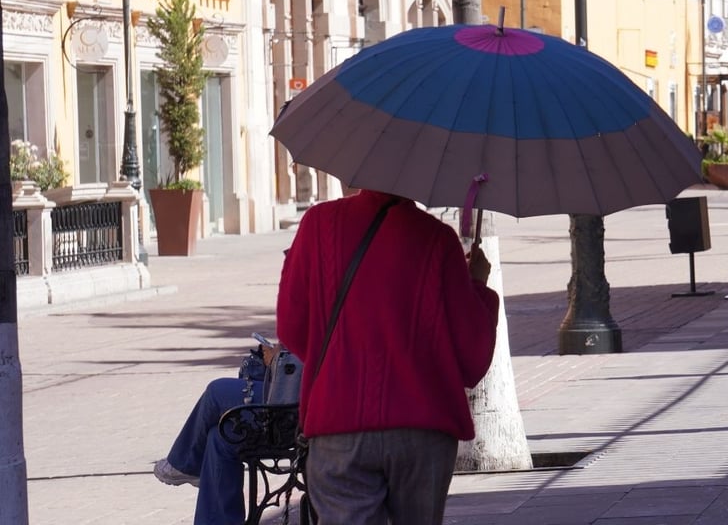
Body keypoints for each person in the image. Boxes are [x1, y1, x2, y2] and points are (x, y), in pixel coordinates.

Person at [277, 189, 499, 525]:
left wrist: (341, 361)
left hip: (338, 423)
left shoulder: (317, 224)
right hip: (423, 429)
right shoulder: (439, 240)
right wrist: (477, 285)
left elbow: (292, 329)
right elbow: (472, 359)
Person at [153, 342, 280, 524]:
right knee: (220, 435)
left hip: (298, 400)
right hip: (291, 392)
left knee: (216, 392)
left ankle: (185, 463)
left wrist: (277, 356)